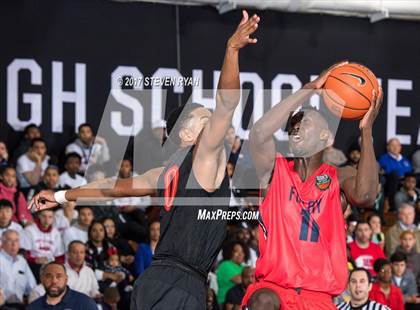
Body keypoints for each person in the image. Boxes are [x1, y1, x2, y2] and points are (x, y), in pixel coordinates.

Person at [29, 11, 259, 310]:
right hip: (181, 283)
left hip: (152, 281)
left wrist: (60, 195)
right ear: (187, 134)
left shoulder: (164, 172)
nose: (215, 122)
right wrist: (231, 50)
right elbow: (227, 104)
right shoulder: (204, 160)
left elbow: (112, 188)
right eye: (206, 119)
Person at [243, 60, 382, 309]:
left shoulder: (339, 177)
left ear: (325, 136)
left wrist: (366, 131)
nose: (296, 127)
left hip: (318, 297)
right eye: (293, 126)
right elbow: (259, 133)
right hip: (274, 289)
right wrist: (308, 88)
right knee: (262, 301)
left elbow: (366, 196)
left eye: (304, 123)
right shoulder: (274, 170)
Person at [27, 262, 98, 310]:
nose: (54, 281)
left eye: (59, 276)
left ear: (66, 279)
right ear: (42, 280)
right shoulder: (33, 307)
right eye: (49, 276)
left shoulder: (85, 303)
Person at [22, 209, 65, 281]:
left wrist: (55, 265)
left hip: (51, 265)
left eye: (50, 217)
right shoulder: (29, 230)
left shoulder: (56, 233)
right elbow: (24, 253)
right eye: (44, 216)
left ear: (53, 218)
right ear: (39, 216)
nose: (47, 220)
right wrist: (35, 260)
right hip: (33, 265)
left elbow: (60, 256)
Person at [0, 229, 36, 309]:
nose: (14, 244)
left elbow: (32, 286)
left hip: (20, 305)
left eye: (16, 241)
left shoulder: (22, 261)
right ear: (2, 243)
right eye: (10, 240)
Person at [379, 138, 413, 211]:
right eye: (393, 145)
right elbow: (388, 171)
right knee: (394, 175)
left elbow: (410, 171)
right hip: (391, 181)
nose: (395, 147)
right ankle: (392, 207)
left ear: (400, 147)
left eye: (397, 145)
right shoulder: (383, 158)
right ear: (388, 147)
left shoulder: (405, 159)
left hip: (406, 181)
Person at [216, 241, 248, 306]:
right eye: (236, 251)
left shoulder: (242, 267)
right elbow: (240, 280)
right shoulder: (225, 265)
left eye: (242, 252)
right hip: (225, 303)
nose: (240, 254)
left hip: (240, 301)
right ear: (230, 252)